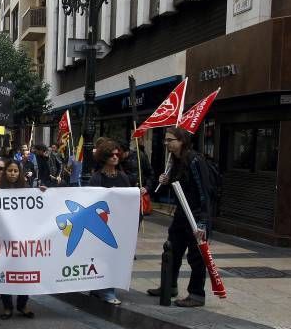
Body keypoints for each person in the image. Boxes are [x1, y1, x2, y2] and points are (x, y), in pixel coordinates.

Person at [148, 127, 212, 308]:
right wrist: (167, 182)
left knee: (196, 256)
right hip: (181, 214)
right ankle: (169, 286)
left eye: (170, 140)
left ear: (181, 141)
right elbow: (179, 188)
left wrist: (203, 221)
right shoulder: (175, 161)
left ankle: (197, 294)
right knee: (172, 250)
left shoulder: (194, 160)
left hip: (195, 215)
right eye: (166, 140)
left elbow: (203, 192)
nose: (166, 143)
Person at [87, 138, 133, 305]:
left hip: (118, 224)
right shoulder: (96, 178)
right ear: (103, 157)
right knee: (102, 257)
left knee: (114, 257)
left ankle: (104, 288)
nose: (115, 157)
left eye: (117, 154)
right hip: (101, 225)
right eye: (111, 155)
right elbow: (91, 201)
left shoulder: (122, 177)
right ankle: (104, 290)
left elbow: (128, 199)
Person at [0, 159, 35, 319]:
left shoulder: (28, 190)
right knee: (4, 273)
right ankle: (7, 307)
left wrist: (43, 193)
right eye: (10, 171)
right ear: (4, 172)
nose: (13, 174)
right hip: (3, 241)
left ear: (20, 173)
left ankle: (22, 305)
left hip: (23, 241)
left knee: (24, 273)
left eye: (16, 171)